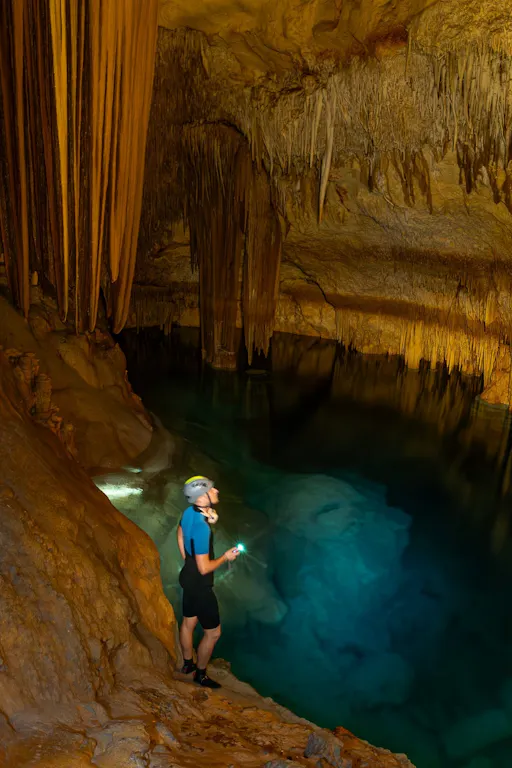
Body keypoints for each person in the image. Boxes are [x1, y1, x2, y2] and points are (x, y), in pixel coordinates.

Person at [177, 475, 240, 688]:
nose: (217, 491)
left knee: (188, 622)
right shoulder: (202, 529)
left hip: (188, 577)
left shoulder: (189, 512)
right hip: (200, 586)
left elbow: (180, 532)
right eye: (212, 490)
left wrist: (188, 559)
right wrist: (225, 557)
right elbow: (204, 568)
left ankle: (187, 664)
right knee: (213, 633)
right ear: (202, 496)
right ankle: (200, 674)